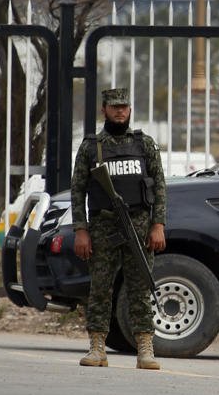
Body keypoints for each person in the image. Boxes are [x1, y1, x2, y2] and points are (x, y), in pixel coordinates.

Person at [70, 88, 167, 370]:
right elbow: (77, 191)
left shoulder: (144, 144)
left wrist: (158, 224)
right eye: (114, 107)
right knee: (100, 288)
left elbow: (160, 187)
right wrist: (80, 230)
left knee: (140, 288)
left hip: (138, 224)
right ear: (104, 111)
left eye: (124, 106)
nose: (119, 111)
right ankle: (97, 346)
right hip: (102, 225)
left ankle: (145, 347)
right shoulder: (91, 147)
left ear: (130, 109)